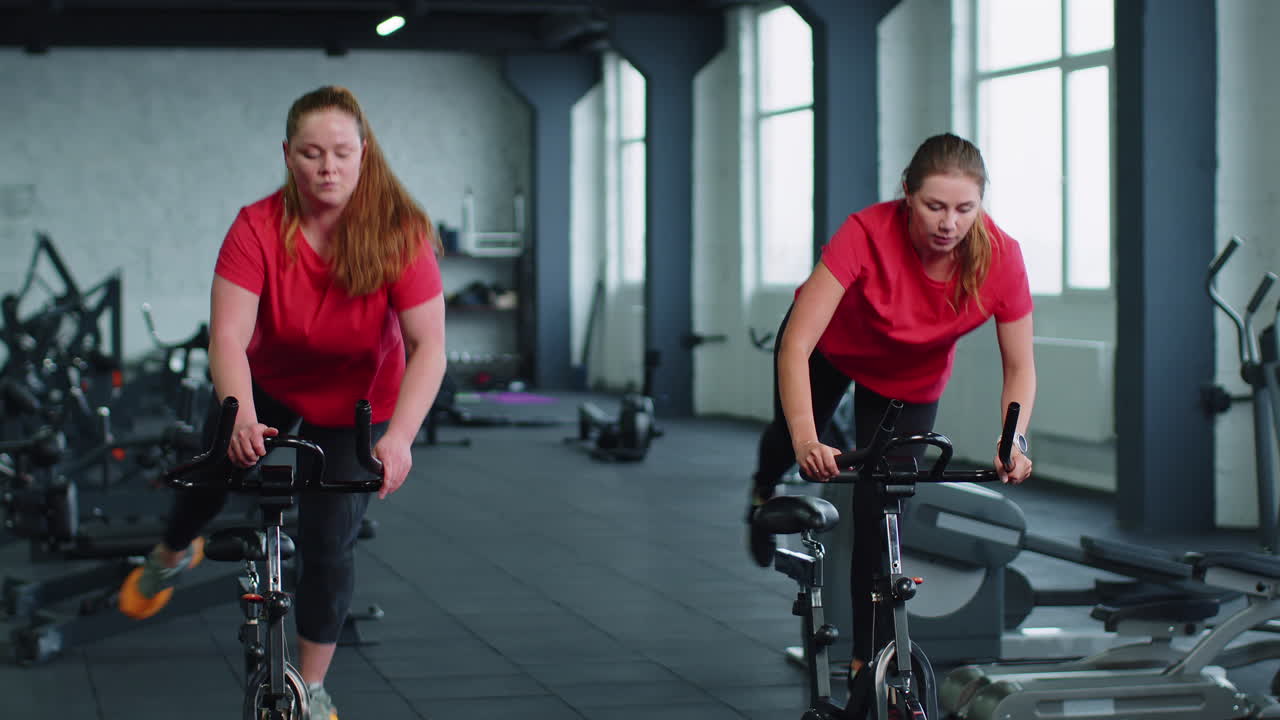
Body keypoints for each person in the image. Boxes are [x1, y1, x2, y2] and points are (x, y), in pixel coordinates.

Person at [118, 85, 447, 720]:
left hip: (360, 400)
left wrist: (401, 436)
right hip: (273, 378)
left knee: (328, 545)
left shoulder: (399, 231)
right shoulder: (257, 226)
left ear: (364, 154)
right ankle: (170, 553)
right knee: (216, 460)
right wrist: (239, 411)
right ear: (288, 155)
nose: (328, 167)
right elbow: (229, 336)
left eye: (342, 153)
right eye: (312, 153)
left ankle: (315, 685)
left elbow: (428, 344)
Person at [746, 132, 1036, 699]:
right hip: (831, 347)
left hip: (909, 373)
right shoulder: (866, 232)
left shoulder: (1001, 257)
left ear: (980, 205)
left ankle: (864, 665)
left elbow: (1020, 366)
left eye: (964, 209)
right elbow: (797, 346)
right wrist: (807, 438)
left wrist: (1013, 439)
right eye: (934, 206)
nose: (949, 223)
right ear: (907, 193)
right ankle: (761, 489)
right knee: (789, 438)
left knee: (882, 510)